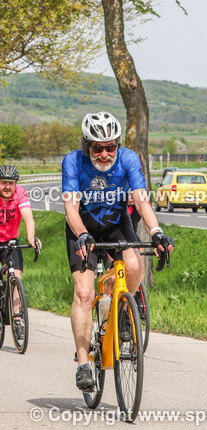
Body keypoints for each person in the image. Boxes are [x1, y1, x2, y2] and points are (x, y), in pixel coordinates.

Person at [62, 112, 173, 391]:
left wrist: (156, 231)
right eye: (97, 148)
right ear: (87, 146)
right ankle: (83, 363)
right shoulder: (73, 162)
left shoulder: (129, 159)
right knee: (85, 294)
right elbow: (70, 208)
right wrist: (82, 234)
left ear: (118, 145)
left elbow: (141, 199)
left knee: (135, 266)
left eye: (110, 147)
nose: (104, 153)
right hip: (81, 228)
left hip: (115, 223)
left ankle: (122, 310)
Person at [0, 165, 40, 340]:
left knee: (16, 276)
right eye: (3, 183)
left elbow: (28, 216)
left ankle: (16, 318)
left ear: (15, 184)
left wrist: (31, 238)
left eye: (10, 183)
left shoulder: (20, 194)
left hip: (10, 241)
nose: (7, 186)